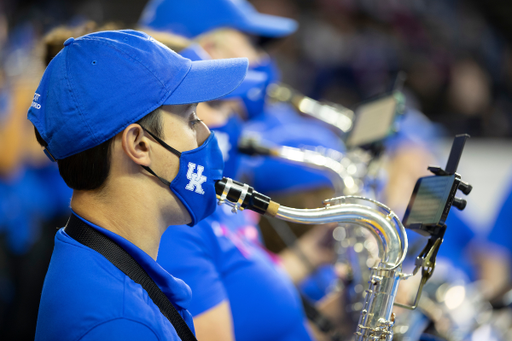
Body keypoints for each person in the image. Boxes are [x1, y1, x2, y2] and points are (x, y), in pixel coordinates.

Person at [28, 29, 248, 340]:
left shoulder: (104, 265)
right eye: (190, 119)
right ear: (139, 145)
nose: (205, 135)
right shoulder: (121, 325)